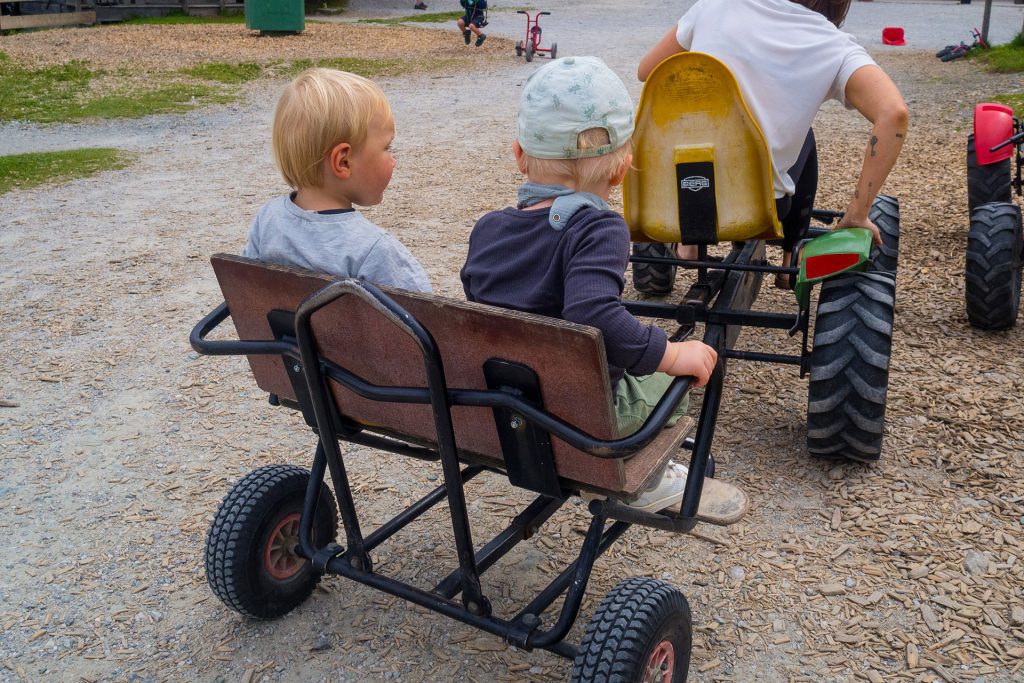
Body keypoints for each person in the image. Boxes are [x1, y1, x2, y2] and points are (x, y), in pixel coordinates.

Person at [460, 57, 718, 513]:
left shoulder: (488, 229)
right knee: (680, 375)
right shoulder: (599, 229)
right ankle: (646, 479)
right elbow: (592, 313)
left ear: (519, 155)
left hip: (501, 409)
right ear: (621, 172)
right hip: (585, 419)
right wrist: (673, 354)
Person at [638, 0, 909, 288]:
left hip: (676, 197)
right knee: (804, 136)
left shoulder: (714, 6)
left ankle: (689, 243)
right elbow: (894, 114)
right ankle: (789, 257)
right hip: (757, 210)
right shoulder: (833, 44)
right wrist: (857, 214)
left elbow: (646, 71)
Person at [242, 68, 432, 294]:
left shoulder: (268, 220)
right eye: (387, 147)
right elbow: (426, 321)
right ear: (343, 162)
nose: (394, 160)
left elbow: (245, 292)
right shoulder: (374, 251)